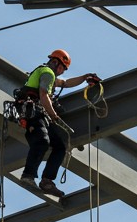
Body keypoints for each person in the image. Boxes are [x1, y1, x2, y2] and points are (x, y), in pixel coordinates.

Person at [16, 49, 102, 198]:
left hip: (38, 115)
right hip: (34, 113)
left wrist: (84, 77)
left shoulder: (48, 74)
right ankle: (27, 176)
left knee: (60, 147)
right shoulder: (48, 73)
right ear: (55, 62)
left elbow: (66, 83)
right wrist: (53, 115)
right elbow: (43, 94)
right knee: (42, 142)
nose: (62, 72)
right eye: (62, 68)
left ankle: (47, 181)